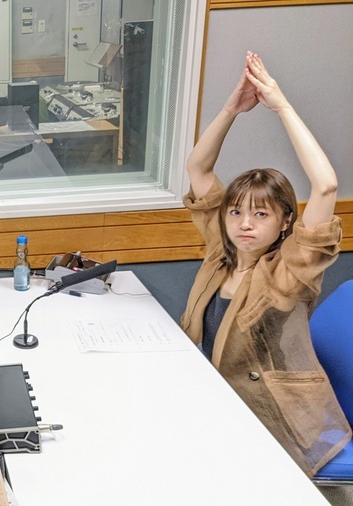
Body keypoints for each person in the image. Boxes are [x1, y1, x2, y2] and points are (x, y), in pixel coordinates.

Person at [179, 52, 349, 476]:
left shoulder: (290, 269)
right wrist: (230, 109)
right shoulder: (222, 252)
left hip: (271, 419)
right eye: (236, 212)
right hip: (215, 396)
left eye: (261, 214)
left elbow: (326, 185)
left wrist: (281, 106)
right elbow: (198, 167)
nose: (245, 224)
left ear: (285, 221)